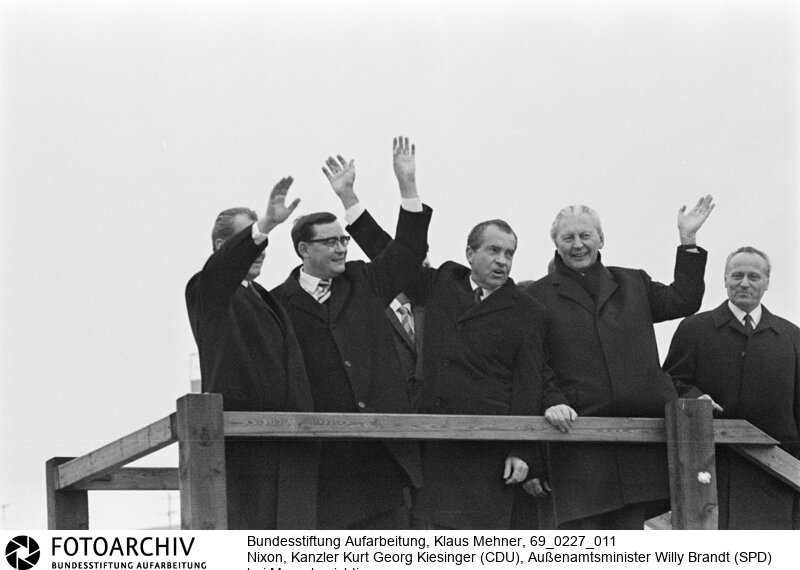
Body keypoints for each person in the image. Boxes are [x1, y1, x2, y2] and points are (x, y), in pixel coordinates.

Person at [344, 143, 547, 529]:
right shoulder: (441, 284)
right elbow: (392, 253)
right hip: (432, 442)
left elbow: (529, 384)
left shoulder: (527, 312)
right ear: (470, 253)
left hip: (486, 450)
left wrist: (522, 449)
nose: (502, 261)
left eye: (509, 253)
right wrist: (394, 190)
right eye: (493, 250)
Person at [523, 197, 715, 529]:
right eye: (568, 238)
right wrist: (553, 401)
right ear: (556, 244)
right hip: (579, 447)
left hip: (637, 446)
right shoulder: (537, 297)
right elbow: (534, 365)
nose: (578, 245)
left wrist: (688, 242)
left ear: (601, 239)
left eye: (585, 236)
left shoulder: (632, 283)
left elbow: (684, 299)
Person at [271, 137, 432, 529]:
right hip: (323, 464)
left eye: (344, 240)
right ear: (304, 250)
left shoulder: (364, 280)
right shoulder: (277, 304)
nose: (343, 248)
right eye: (331, 242)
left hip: (381, 460)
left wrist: (404, 185)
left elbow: (409, 253)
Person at [185, 177, 318, 529]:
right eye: (249, 241)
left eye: (263, 242)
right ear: (220, 246)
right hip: (243, 444)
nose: (261, 249)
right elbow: (223, 270)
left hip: (285, 445)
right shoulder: (209, 289)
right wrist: (264, 226)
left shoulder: (266, 296)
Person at [663, 246, 800, 529]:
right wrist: (694, 397)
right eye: (737, 275)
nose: (745, 283)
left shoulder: (791, 336)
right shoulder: (695, 329)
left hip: (781, 476)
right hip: (713, 472)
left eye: (753, 276)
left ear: (767, 282)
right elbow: (669, 382)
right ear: (725, 279)